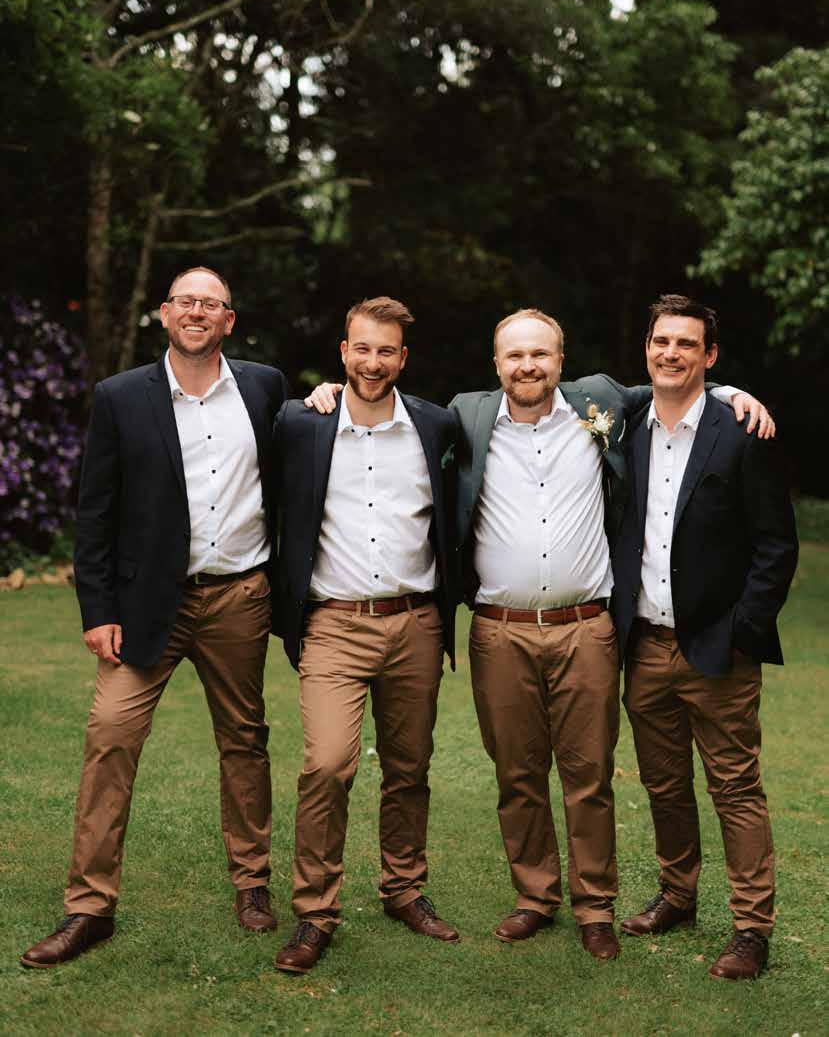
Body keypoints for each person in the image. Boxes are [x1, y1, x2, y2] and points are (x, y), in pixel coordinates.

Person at [308, 307, 771, 961]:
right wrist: (331, 390)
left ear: (561, 360)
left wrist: (728, 391)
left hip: (587, 629)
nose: (528, 366)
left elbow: (673, 380)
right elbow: (381, 400)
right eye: (515, 356)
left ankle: (595, 906)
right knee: (517, 775)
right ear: (496, 364)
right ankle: (535, 896)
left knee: (589, 777)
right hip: (500, 631)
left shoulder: (598, 404)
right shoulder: (464, 416)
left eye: (540, 354)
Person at [20, 267, 288, 969]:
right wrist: (97, 609)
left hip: (239, 596)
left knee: (245, 739)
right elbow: (95, 511)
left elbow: (300, 456)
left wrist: (325, 396)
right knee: (110, 735)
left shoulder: (264, 387)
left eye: (211, 303)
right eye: (185, 301)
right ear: (165, 314)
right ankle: (89, 907)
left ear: (229, 320)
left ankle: (252, 884)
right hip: (145, 605)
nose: (197, 311)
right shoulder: (120, 396)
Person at [612, 295, 798, 980]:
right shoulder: (623, 425)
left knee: (735, 789)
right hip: (644, 647)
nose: (671, 353)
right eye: (661, 340)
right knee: (664, 784)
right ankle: (677, 894)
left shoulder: (742, 431)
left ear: (709, 355)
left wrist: (743, 631)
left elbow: (776, 545)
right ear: (646, 347)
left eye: (686, 343)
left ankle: (751, 928)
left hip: (720, 648)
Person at [271, 297, 459, 974]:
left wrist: (725, 391)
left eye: (386, 351)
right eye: (362, 349)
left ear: (402, 358)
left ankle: (403, 888)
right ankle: (315, 911)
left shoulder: (436, 425)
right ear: (342, 351)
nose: (372, 362)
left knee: (409, 767)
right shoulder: (301, 422)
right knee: (327, 763)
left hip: (415, 621)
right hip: (333, 623)